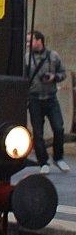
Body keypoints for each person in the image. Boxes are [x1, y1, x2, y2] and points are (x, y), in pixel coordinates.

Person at [27, 30, 70, 174]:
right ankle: (43, 162)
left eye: (30, 40)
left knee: (59, 128)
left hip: (51, 98)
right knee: (38, 133)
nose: (28, 44)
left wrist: (54, 77)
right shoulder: (27, 58)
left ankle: (58, 157)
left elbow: (63, 73)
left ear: (40, 41)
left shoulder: (53, 56)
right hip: (34, 99)